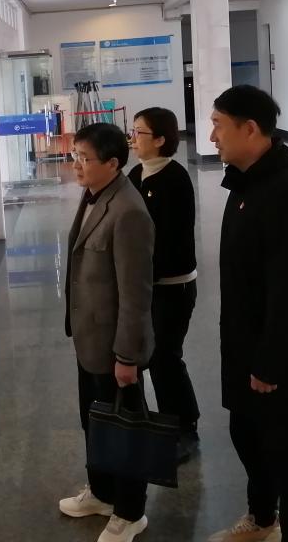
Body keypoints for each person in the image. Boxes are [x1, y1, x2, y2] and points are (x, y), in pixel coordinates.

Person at [207, 86, 288, 542]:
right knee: (246, 434)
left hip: (276, 354)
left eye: (219, 125)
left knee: (284, 451)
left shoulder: (285, 191)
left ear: (250, 129)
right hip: (245, 341)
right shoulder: (245, 182)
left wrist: (270, 362)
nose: (212, 136)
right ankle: (262, 519)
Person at [58, 123, 156, 542]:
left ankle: (130, 513)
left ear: (113, 163)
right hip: (90, 339)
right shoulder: (94, 194)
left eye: (85, 158)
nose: (77, 165)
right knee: (95, 421)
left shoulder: (128, 211)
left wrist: (127, 356)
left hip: (116, 346)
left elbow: (136, 294)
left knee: (124, 429)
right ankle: (101, 493)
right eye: (75, 156)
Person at [126, 107, 200, 464]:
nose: (132, 139)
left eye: (139, 132)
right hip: (146, 284)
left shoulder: (175, 178)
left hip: (172, 285)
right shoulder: (137, 173)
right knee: (153, 356)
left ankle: (185, 426)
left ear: (159, 139)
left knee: (165, 357)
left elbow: (171, 240)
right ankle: (166, 423)